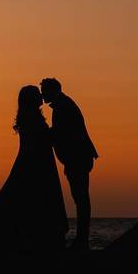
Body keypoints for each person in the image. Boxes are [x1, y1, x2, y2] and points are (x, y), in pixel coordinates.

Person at [0, 85, 68, 254]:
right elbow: (42, 140)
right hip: (35, 164)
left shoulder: (30, 117)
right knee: (30, 200)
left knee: (20, 199)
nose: (41, 96)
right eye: (37, 94)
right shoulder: (32, 119)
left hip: (35, 162)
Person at [40, 78, 98, 251]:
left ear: (53, 91)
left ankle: (82, 240)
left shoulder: (63, 106)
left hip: (78, 159)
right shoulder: (63, 104)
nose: (42, 94)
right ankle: (82, 240)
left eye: (45, 91)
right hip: (77, 158)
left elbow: (60, 133)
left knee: (81, 198)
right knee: (80, 198)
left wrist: (43, 135)